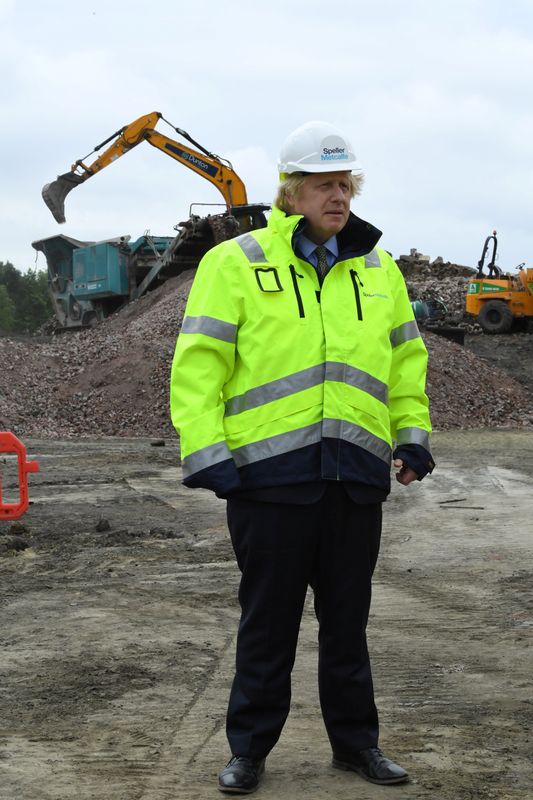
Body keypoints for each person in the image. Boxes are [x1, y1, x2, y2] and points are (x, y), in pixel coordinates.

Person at [170, 120, 434, 794]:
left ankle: (356, 747)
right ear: (290, 192)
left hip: (354, 481)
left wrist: (410, 436)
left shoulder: (379, 271)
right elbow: (198, 367)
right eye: (323, 184)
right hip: (266, 482)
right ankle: (248, 752)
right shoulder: (235, 263)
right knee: (268, 627)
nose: (337, 195)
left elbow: (405, 363)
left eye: (344, 183)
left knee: (348, 629)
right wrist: (207, 454)